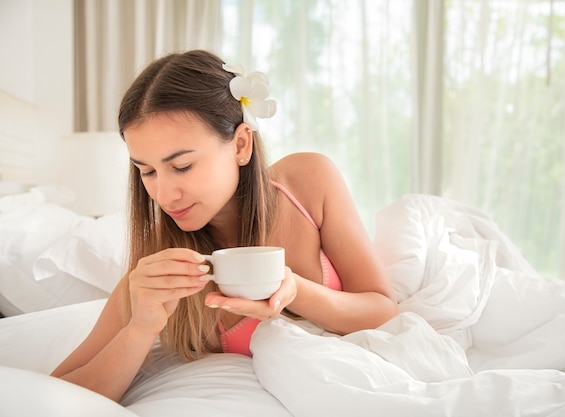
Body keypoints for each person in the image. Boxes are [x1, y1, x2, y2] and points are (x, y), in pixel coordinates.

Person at [51, 49, 399, 402]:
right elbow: (55, 391)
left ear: (241, 144)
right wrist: (141, 328)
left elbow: (384, 309)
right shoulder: (164, 259)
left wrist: (294, 290)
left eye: (182, 166)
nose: (164, 195)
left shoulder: (308, 182)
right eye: (148, 171)